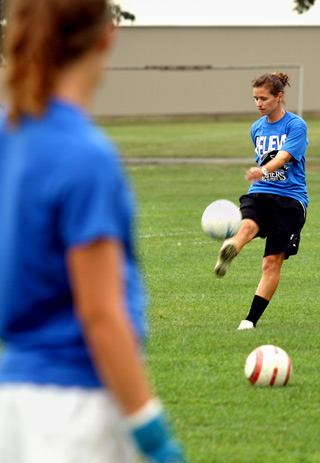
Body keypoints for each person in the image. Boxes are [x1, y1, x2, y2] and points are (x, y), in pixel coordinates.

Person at [0, 1, 186, 462]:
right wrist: (152, 433)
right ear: (108, 35)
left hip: (15, 403)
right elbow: (100, 314)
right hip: (78, 414)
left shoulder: (10, 135)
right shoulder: (86, 156)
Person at [214, 72, 308, 330]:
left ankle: (249, 321)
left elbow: (284, 157)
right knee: (246, 227)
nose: (259, 104)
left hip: (290, 199)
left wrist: (262, 170)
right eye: (255, 98)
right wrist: (261, 175)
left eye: (264, 98)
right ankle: (228, 251)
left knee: (271, 262)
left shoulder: (295, 125)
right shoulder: (256, 127)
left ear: (279, 97)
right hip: (260, 191)